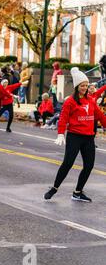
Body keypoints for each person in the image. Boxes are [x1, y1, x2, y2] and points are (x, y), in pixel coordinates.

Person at [44, 68, 106, 202]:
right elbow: (63, 118)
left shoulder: (90, 100)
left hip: (89, 137)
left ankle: (77, 192)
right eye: (82, 86)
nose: (85, 88)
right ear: (77, 86)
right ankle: (54, 188)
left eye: (86, 85)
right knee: (68, 163)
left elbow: (100, 115)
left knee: (89, 166)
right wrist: (61, 134)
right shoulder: (70, 101)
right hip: (75, 137)